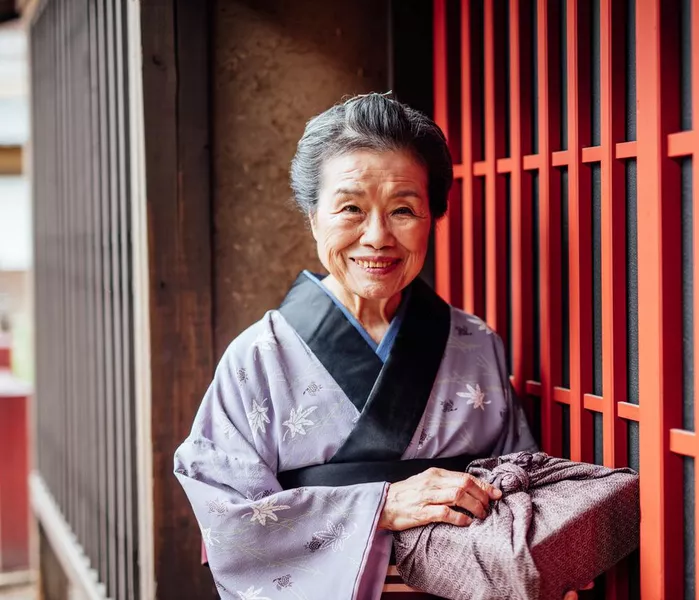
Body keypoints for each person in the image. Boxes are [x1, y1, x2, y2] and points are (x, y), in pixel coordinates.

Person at [175, 93, 591, 600]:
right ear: (313, 215)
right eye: (350, 207)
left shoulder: (475, 344)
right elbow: (231, 523)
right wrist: (383, 506)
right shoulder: (258, 358)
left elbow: (521, 483)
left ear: (433, 217)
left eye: (403, 210)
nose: (377, 236)